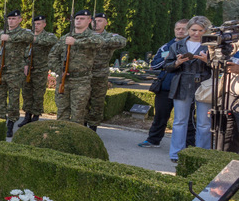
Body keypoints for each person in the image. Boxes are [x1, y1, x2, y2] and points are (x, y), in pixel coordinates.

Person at [139, 19, 196, 148]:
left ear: (189, 30)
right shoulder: (166, 46)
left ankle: (190, 145)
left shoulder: (193, 46)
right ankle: (153, 140)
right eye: (178, 28)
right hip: (166, 86)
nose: (180, 31)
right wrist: (168, 58)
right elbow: (154, 65)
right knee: (160, 116)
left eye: (183, 29)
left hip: (185, 87)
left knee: (188, 118)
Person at [163, 16, 212, 163]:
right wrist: (177, 62)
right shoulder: (177, 45)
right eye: (194, 30)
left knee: (204, 123)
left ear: (206, 31)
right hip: (182, 83)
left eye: (201, 30)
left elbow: (220, 67)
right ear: (188, 29)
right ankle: (176, 154)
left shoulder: (212, 45)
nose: (197, 33)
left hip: (204, 85)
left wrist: (208, 61)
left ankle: (202, 155)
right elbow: (167, 67)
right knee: (179, 121)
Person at [48, 9, 101, 125]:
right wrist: (59, 70)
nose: (78, 21)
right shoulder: (65, 38)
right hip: (64, 80)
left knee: (78, 114)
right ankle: (61, 133)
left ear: (89, 21)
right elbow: (52, 55)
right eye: (77, 18)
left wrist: (76, 42)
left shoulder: (93, 36)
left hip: (81, 81)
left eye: (82, 19)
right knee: (62, 112)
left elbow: (99, 43)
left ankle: (76, 135)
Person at [0, 10, 32, 136]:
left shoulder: (24, 32)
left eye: (14, 18)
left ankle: (11, 123)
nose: (11, 21)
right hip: (1, 72)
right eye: (9, 19)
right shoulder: (0, 35)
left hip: (15, 72)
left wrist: (10, 38)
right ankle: (1, 121)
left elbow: (31, 38)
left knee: (13, 100)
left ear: (20, 20)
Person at [85, 12, 127, 131]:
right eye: (94, 21)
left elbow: (122, 41)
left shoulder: (110, 36)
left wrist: (98, 40)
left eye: (99, 21)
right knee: (81, 103)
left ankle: (93, 129)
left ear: (106, 23)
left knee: (97, 103)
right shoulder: (84, 34)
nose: (96, 23)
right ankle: (81, 128)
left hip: (99, 76)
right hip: (83, 75)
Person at [18, 14, 57, 127]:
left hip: (40, 70)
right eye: (34, 24)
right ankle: (27, 116)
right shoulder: (28, 36)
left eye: (39, 24)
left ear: (44, 24)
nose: (36, 26)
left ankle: (35, 116)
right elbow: (22, 52)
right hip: (28, 70)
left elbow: (52, 41)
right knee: (26, 93)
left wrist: (35, 39)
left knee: (38, 94)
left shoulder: (48, 36)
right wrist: (25, 64)